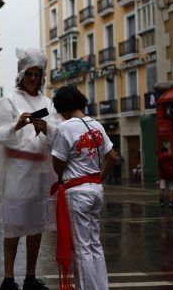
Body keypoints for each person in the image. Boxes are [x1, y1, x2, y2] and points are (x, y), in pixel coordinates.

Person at [0, 48, 60, 290]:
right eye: (29, 73)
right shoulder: (9, 101)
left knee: (36, 225)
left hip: (41, 171)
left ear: (42, 77)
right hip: (17, 171)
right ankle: (8, 279)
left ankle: (30, 276)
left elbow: (59, 133)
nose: (33, 78)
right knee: (14, 225)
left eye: (37, 74)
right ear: (21, 74)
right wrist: (16, 125)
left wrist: (47, 128)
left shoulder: (48, 103)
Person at [50, 85, 115, 290]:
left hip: (76, 192)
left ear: (63, 107)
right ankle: (101, 287)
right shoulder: (97, 125)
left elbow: (57, 163)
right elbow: (112, 157)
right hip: (96, 190)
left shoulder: (65, 128)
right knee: (95, 243)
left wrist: (63, 176)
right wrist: (99, 178)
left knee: (81, 248)